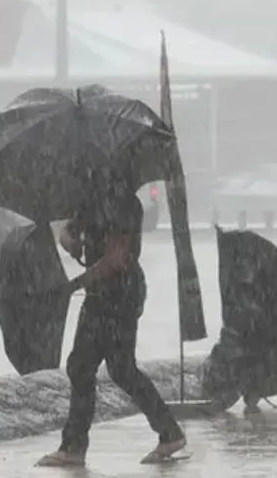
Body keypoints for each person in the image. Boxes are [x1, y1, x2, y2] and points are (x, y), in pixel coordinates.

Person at [36, 173, 187, 467]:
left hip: (119, 294)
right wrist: (71, 241)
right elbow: (68, 230)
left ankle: (75, 445)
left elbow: (116, 258)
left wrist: (74, 285)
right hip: (102, 293)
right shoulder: (92, 197)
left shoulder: (123, 203)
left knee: (89, 366)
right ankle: (168, 432)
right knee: (113, 368)